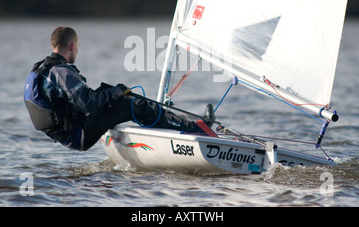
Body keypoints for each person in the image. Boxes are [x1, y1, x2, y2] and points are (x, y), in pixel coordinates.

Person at [24, 26, 216, 151]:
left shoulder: (41, 69)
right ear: (73, 46)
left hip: (67, 136)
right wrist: (118, 91)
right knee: (132, 105)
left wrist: (110, 94)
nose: (78, 50)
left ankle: (174, 126)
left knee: (114, 99)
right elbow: (89, 104)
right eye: (78, 46)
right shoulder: (61, 71)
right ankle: (197, 128)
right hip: (78, 135)